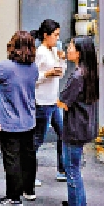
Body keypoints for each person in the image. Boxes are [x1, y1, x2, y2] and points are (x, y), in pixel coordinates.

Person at [0, 31, 40, 206]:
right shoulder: (33, 67)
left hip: (9, 120)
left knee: (11, 159)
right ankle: (29, 190)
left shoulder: (5, 67)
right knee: (28, 156)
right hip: (28, 118)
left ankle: (14, 197)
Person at [56, 35, 99, 206]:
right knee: (74, 166)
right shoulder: (89, 72)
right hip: (83, 125)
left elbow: (63, 102)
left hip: (74, 127)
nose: (68, 48)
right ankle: (78, 202)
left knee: (71, 168)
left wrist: (58, 101)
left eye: (71, 46)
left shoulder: (77, 76)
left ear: (80, 52)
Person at [33, 19, 67, 184]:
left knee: (63, 134)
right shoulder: (40, 52)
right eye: (55, 35)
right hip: (42, 101)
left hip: (53, 101)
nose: (57, 38)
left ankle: (62, 169)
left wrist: (61, 60)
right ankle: (28, 176)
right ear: (46, 35)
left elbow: (60, 74)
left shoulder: (54, 50)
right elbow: (32, 78)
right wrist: (47, 74)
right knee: (37, 139)